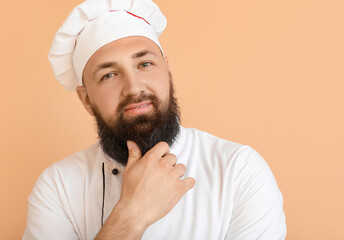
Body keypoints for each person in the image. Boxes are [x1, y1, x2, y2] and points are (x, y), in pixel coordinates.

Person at [23, 0, 287, 239]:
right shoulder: (57, 187)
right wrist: (131, 215)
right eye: (109, 75)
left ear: (167, 70)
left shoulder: (239, 170)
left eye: (145, 64)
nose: (134, 87)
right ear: (86, 100)